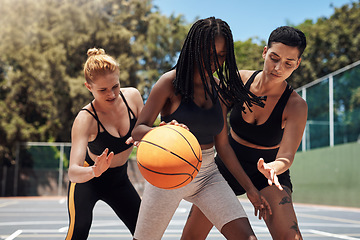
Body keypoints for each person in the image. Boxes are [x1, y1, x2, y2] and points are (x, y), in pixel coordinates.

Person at [129, 17, 272, 240]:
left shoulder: (219, 90)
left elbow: (223, 147)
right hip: (168, 171)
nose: (216, 61)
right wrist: (163, 132)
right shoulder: (169, 83)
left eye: (222, 55)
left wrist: (251, 189)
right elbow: (138, 130)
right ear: (195, 49)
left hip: (207, 174)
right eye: (210, 53)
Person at [181, 26, 307, 240]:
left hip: (268, 174)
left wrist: (272, 167)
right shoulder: (238, 82)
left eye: (288, 63)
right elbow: (211, 123)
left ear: (298, 64)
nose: (278, 67)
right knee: (191, 237)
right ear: (265, 52)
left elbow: (286, 156)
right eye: (274, 58)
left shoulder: (296, 105)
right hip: (227, 164)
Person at [65, 48, 143, 240]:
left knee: (146, 232)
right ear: (88, 87)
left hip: (119, 180)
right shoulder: (85, 119)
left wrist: (166, 131)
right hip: (87, 181)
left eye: (115, 86)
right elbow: (73, 172)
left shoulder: (132, 97)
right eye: (103, 90)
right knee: (79, 231)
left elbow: (149, 131)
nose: (112, 94)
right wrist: (94, 171)